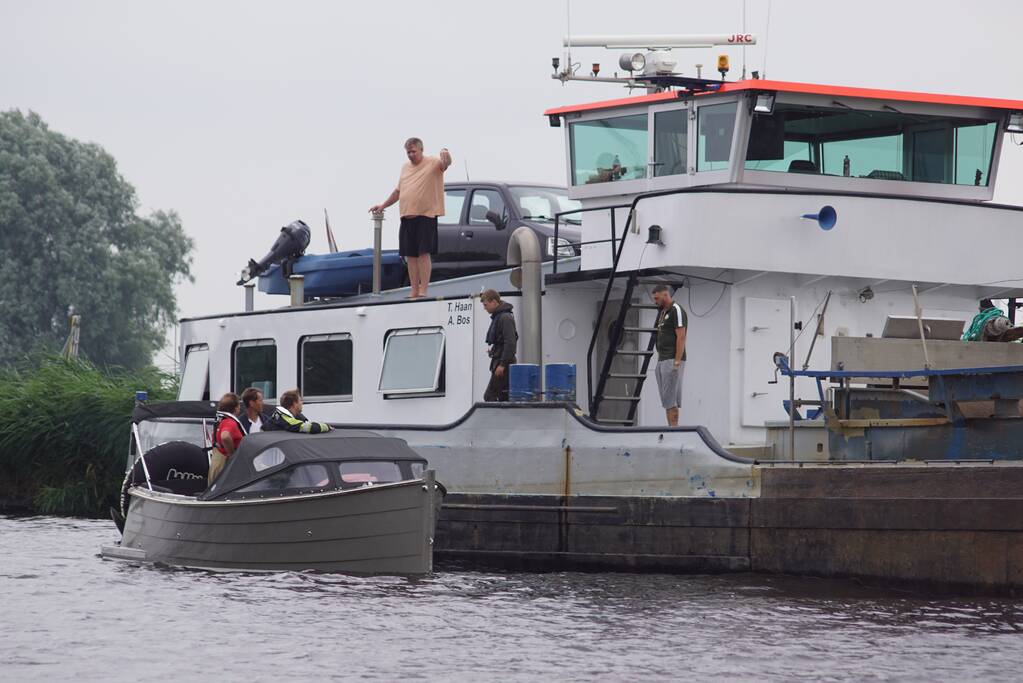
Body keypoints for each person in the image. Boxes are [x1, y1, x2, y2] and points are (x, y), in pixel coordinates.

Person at [369, 138, 452, 298]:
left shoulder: (433, 162)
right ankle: (414, 290)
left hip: (425, 215)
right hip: (407, 216)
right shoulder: (405, 168)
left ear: (421, 150)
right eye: (408, 152)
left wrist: (446, 154)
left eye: (413, 151)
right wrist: (383, 205)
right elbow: (398, 191)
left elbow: (446, 164)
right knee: (410, 255)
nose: (411, 155)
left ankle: (423, 290)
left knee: (423, 253)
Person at [651, 284, 687, 426]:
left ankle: (674, 430)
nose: (655, 301)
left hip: (672, 359)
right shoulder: (663, 312)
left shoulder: (676, 310)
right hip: (662, 359)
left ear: (665, 295)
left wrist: (677, 361)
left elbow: (681, 337)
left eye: (657, 298)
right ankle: (670, 428)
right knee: (666, 399)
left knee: (671, 399)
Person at [481, 289, 518, 402]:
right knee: (503, 397)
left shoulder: (505, 317)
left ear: (494, 302)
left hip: (503, 365)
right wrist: (494, 351)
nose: (484, 308)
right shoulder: (500, 316)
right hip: (501, 362)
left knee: (489, 396)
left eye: (485, 305)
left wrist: (502, 364)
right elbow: (504, 342)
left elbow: (510, 342)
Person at [209, 392, 245, 483]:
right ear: (236, 407)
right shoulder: (230, 422)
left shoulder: (221, 421)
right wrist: (231, 454)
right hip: (224, 463)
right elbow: (225, 436)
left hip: (216, 461)